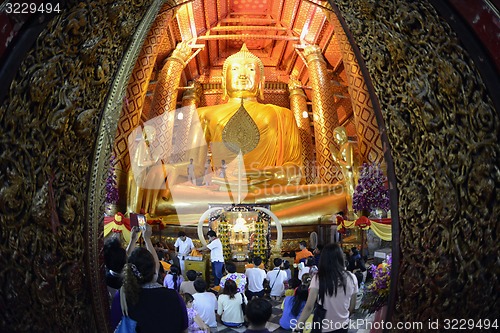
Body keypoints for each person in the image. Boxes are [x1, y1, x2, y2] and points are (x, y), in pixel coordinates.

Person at [110, 223, 188, 332]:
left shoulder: (123, 297)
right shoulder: (173, 297)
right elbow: (184, 329)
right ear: (155, 270)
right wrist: (147, 239)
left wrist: (133, 240)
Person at [295, 243, 358, 333]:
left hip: (322, 326)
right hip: (343, 325)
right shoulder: (352, 278)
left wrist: (298, 327)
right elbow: (352, 307)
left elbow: (309, 307)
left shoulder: (318, 278)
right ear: (341, 258)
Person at [330, 126, 360, 219]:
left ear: (342, 134)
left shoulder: (348, 146)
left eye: (336, 135)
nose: (334, 138)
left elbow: (348, 164)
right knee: (348, 196)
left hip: (351, 176)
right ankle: (351, 216)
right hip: (346, 176)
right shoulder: (342, 147)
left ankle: (356, 217)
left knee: (351, 195)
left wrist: (338, 159)